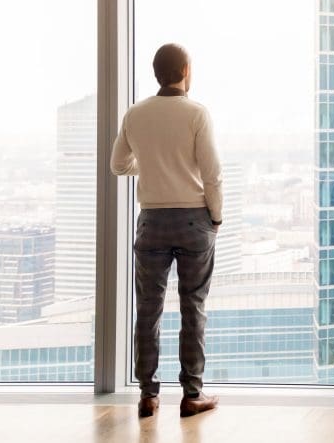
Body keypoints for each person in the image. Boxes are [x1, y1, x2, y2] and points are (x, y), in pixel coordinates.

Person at [111, 43, 223, 418]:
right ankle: (192, 394)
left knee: (148, 309)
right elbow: (211, 174)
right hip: (194, 220)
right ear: (186, 70)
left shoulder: (136, 114)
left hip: (152, 221)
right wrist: (217, 218)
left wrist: (152, 168)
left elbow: (118, 165)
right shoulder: (196, 113)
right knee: (193, 307)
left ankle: (148, 394)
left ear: (156, 71)